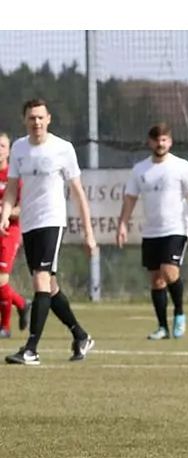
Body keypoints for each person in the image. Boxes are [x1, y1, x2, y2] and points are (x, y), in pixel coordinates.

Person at [0, 99, 96, 366]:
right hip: (29, 225)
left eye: (41, 117)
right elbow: (11, 188)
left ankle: (31, 349)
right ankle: (81, 335)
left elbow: (78, 193)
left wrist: (89, 233)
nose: (37, 122)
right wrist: (5, 216)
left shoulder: (62, 149)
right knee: (50, 288)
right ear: (25, 120)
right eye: (32, 118)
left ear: (49, 119)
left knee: (41, 281)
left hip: (52, 222)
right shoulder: (19, 148)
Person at [116, 123, 188, 340]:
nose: (160, 144)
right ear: (150, 142)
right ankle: (162, 327)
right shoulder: (140, 169)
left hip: (175, 229)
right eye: (157, 140)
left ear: (170, 142)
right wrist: (122, 224)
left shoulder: (181, 166)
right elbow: (130, 199)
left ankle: (180, 313)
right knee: (156, 280)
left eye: (164, 139)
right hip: (151, 232)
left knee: (169, 271)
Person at [0, 131, 30, 338]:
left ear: (9, 150)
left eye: (2, 146)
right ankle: (21, 302)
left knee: (1, 279)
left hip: (9, 231)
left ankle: (5, 327)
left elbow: (23, 207)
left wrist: (5, 213)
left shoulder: (13, 176)